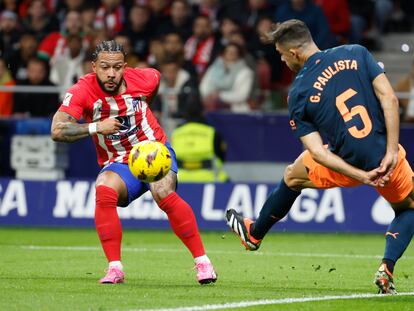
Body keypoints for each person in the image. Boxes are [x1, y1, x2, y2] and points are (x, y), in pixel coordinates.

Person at [226, 19, 414, 295]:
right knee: (408, 208)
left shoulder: (298, 92)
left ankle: (255, 233)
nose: (282, 60)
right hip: (385, 157)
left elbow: (315, 151)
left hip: (346, 164)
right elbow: (390, 99)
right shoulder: (356, 53)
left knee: (293, 175)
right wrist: (391, 152)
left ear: (294, 53)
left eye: (281, 54)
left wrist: (361, 176)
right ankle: (386, 267)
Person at [50, 40, 217, 285]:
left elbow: (156, 79)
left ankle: (203, 262)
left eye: (117, 68)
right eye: (105, 67)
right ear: (93, 66)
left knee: (162, 192)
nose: (111, 73)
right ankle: (115, 268)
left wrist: (146, 109)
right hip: (118, 161)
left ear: (125, 67)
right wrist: (97, 127)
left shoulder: (144, 79)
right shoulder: (81, 91)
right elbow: (57, 129)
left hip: (153, 149)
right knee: (104, 189)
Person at [171, 101, 228, 183]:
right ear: (203, 112)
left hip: (180, 179)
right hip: (209, 179)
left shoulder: (176, 133)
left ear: (185, 114)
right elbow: (222, 157)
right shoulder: (211, 132)